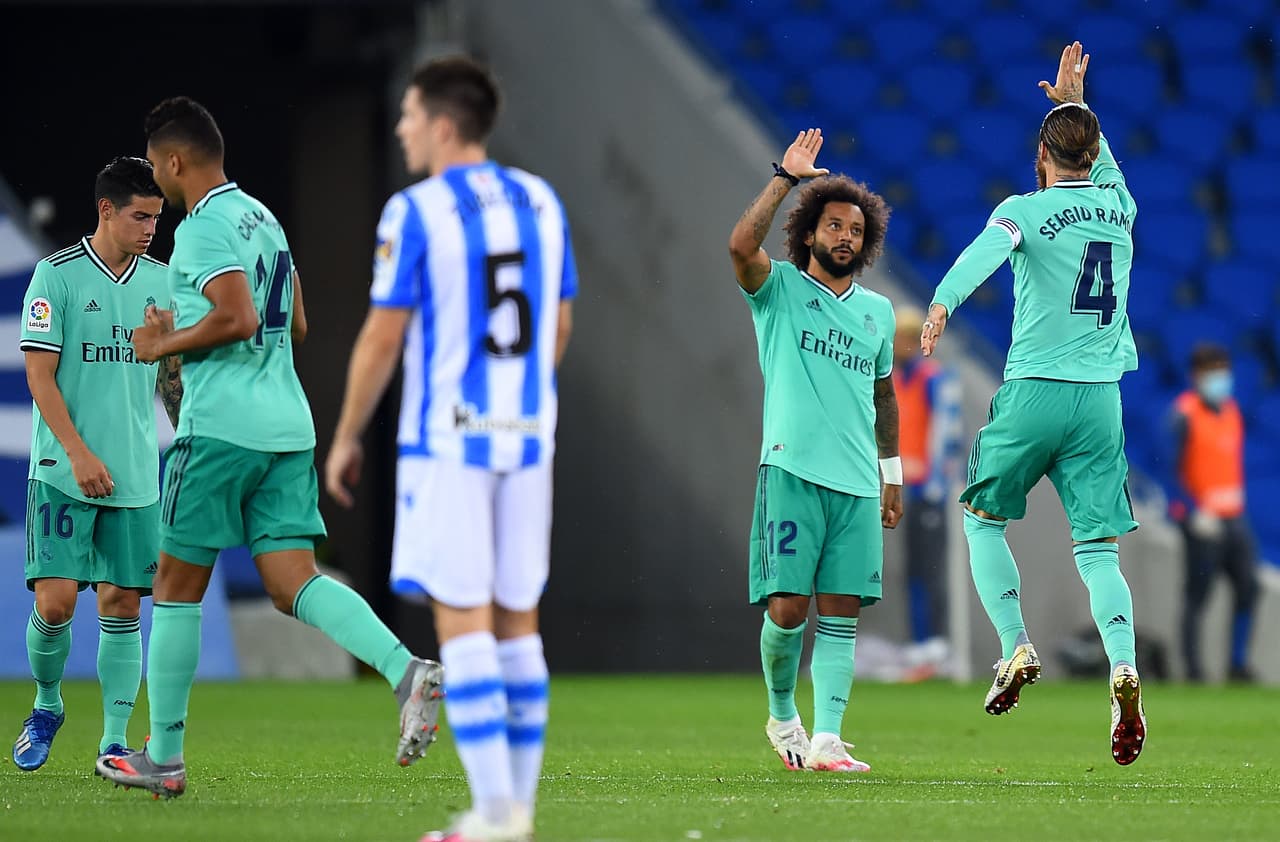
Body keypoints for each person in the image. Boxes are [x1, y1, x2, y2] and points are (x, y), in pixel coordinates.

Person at [95, 96, 443, 798]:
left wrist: (166, 342)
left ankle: (163, 756)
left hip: (222, 429)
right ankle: (407, 671)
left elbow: (238, 315)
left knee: (174, 585)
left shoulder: (200, 229)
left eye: (158, 172)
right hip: (287, 426)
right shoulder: (263, 219)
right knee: (292, 583)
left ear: (173, 162)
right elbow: (297, 324)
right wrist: (200, 328)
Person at [324, 57, 575, 842]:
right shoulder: (542, 199)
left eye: (406, 115)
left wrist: (347, 433)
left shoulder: (416, 210)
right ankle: (516, 810)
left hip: (449, 440)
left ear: (440, 123)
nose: (400, 129)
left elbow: (383, 334)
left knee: (462, 620)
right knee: (518, 623)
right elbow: (559, 324)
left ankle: (496, 815)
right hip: (529, 437)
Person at [920, 42, 1146, 765]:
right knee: (1098, 549)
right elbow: (1090, 151)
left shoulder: (1026, 208)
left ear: (1041, 156)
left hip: (1034, 392)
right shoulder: (1120, 205)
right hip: (1101, 401)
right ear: (1090, 152)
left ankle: (1015, 646)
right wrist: (1074, 106)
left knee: (982, 520)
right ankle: (1122, 665)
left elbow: (983, 254)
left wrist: (941, 304)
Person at [727, 128, 900, 774]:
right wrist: (785, 178)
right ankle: (781, 713)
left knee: (842, 613)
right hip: (792, 469)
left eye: (855, 229)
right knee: (788, 607)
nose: (845, 237)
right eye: (833, 226)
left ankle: (828, 738)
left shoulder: (879, 313)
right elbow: (740, 245)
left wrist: (893, 473)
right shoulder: (778, 291)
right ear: (809, 234)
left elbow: (884, 396)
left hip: (856, 482)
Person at [13, 157, 181, 773]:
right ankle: (48, 703)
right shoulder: (54, 278)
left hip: (136, 474)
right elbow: (39, 374)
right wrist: (80, 453)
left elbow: (171, 385)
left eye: (157, 218)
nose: (150, 229)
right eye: (141, 216)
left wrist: (170, 362)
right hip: (62, 469)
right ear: (107, 210)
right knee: (56, 603)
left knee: (121, 603)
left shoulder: (162, 284)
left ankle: (113, 740)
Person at [1165, 342, 1259, 682]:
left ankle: (1237, 664)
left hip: (1234, 517)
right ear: (1196, 376)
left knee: (1249, 588)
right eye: (1212, 371)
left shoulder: (1231, 411)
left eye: (1223, 369)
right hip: (1203, 522)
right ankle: (1193, 670)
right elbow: (1167, 469)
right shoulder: (1184, 414)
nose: (1220, 378)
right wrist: (1189, 512)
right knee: (1198, 595)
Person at [891, 304, 962, 661]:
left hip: (928, 490)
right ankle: (920, 642)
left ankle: (937, 640)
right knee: (914, 567)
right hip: (903, 487)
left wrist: (937, 482)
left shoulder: (932, 377)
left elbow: (945, 433)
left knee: (933, 567)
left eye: (901, 338)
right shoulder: (894, 380)